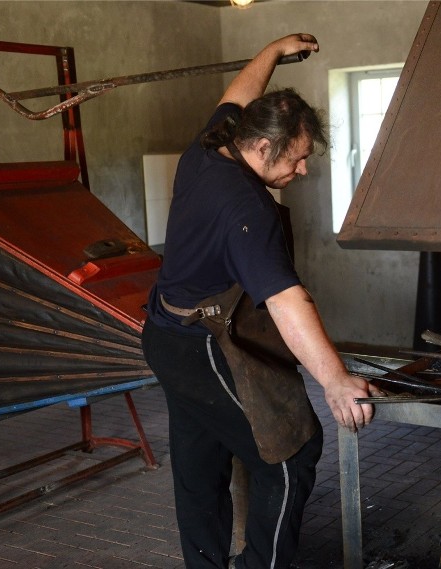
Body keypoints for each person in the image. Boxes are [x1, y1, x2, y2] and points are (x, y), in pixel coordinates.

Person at [141, 33, 380, 569]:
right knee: (292, 452)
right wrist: (336, 381)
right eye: (296, 160)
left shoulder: (212, 144)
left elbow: (237, 95)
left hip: (164, 334)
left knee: (200, 462)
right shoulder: (248, 209)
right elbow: (287, 300)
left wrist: (272, 52)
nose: (302, 172)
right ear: (263, 147)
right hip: (202, 347)